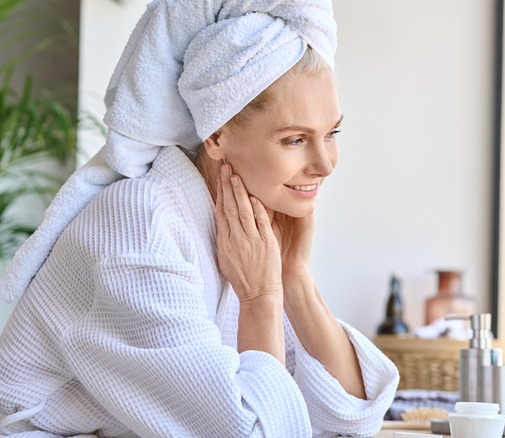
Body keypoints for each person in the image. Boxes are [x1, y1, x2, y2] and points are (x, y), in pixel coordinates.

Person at [0, 0, 399, 436]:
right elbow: (254, 431)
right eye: (295, 140)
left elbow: (352, 415)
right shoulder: (140, 224)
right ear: (215, 136)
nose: (325, 163)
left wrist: (293, 277)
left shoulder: (242, 230)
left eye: (331, 133)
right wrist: (261, 296)